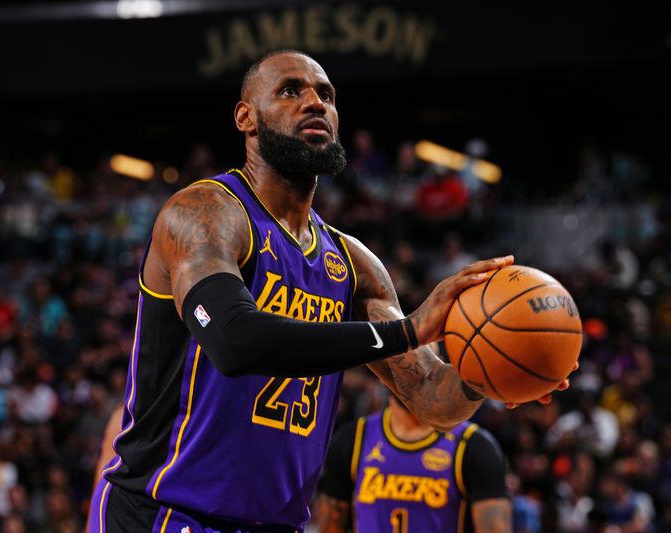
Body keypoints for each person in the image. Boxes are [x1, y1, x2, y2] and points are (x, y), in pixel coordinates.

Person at [88, 49, 570, 533]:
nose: (314, 103)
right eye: (290, 91)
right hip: (165, 512)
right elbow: (235, 341)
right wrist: (406, 331)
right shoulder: (204, 213)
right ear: (246, 118)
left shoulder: (353, 264)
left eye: (326, 95)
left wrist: (492, 368)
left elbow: (430, 398)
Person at [317, 393, 510, 533]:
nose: (412, 368)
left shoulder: (474, 445)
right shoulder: (354, 438)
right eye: (405, 356)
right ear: (385, 371)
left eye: (424, 355)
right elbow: (331, 525)